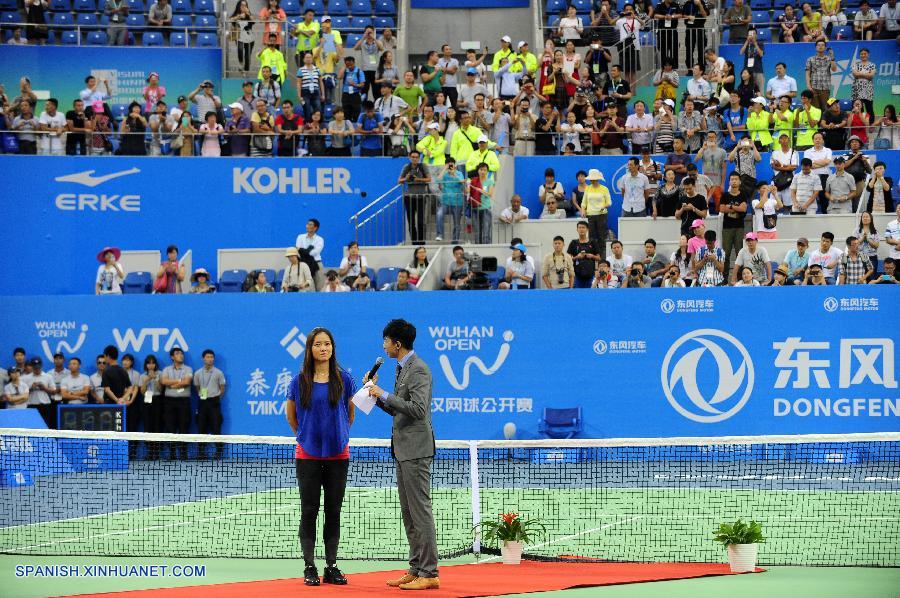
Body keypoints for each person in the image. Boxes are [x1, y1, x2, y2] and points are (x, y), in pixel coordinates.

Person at [366, 320, 439, 590]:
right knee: (409, 514)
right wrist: (374, 396)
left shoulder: (418, 368)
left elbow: (418, 410)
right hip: (402, 449)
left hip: (416, 450)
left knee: (420, 513)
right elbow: (401, 411)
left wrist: (382, 392)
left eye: (386, 341)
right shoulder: (402, 368)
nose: (383, 346)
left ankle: (430, 573)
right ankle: (416, 568)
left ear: (397, 343)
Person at [284, 328, 355, 586]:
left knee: (333, 511)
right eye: (318, 344)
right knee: (309, 510)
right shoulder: (298, 381)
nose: (323, 348)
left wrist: (339, 435)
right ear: (310, 349)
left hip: (339, 455)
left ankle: (332, 566)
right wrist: (305, 436)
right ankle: (309, 566)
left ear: (332, 348)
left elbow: (350, 413)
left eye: (327, 344)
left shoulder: (344, 379)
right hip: (307, 456)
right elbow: (291, 415)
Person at [161, 347, 191, 460]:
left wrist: (172, 384)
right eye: (177, 353)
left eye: (182, 353)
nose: (181, 355)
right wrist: (179, 381)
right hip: (169, 402)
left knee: (184, 427)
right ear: (172, 357)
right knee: (170, 427)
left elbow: (187, 382)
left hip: (184, 402)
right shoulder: (166, 369)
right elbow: (164, 381)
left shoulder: (188, 369)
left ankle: (183, 453)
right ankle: (172, 453)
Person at [398, 151, 431, 245]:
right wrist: (406, 178)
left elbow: (429, 179)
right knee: (411, 221)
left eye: (416, 157)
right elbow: (399, 181)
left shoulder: (423, 166)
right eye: (413, 157)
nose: (415, 159)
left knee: (421, 221)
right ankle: (414, 242)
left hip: (421, 197)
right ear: (409, 157)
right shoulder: (406, 167)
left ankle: (421, 242)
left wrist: (418, 179)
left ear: (419, 158)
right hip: (409, 197)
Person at [721, 172, 750, 268]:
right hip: (727, 228)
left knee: (740, 253)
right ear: (729, 182)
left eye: (736, 179)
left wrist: (730, 206)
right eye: (732, 179)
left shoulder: (743, 194)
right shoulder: (725, 195)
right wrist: (737, 207)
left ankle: (740, 278)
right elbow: (722, 209)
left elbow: (744, 209)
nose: (734, 181)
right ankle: (725, 279)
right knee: (726, 254)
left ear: (740, 182)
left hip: (739, 227)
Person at [297, 219, 325, 290]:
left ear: (315, 227)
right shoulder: (300, 237)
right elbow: (298, 250)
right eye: (307, 224)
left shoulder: (320, 239)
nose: (307, 226)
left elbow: (315, 252)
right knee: (307, 286)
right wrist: (307, 250)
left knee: (320, 285)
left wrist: (303, 251)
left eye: (310, 224)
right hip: (304, 264)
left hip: (316, 263)